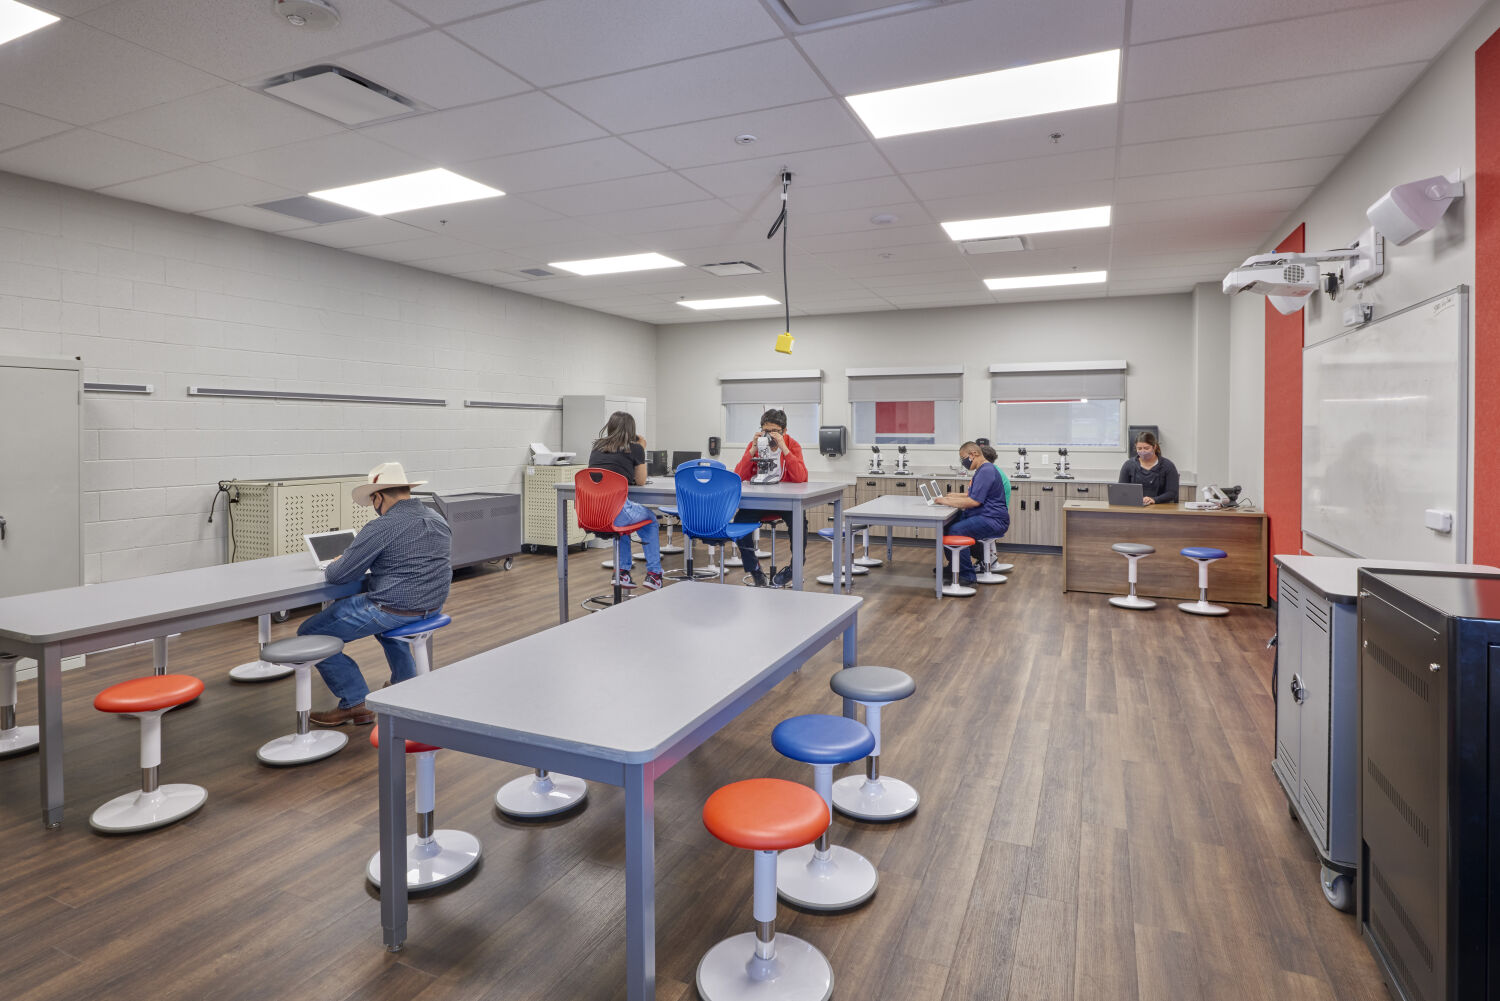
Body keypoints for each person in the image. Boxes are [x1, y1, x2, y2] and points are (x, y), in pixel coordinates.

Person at [302, 461, 452, 726]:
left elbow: (337, 575)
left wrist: (342, 559)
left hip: (396, 609)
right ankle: (404, 684)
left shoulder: (382, 526)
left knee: (310, 633)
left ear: (379, 497)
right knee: (386, 620)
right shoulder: (437, 517)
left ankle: (355, 701)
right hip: (433, 604)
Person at [587, 410, 663, 590]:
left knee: (623, 525)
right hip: (616, 511)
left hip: (592, 513)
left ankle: (622, 572)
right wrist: (641, 448)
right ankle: (654, 574)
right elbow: (641, 480)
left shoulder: (596, 447)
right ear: (632, 431)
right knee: (650, 519)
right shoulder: (634, 448)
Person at [731, 408, 808, 587]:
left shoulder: (792, 445)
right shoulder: (758, 445)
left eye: (775, 431)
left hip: (784, 502)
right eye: (766, 430)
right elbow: (738, 475)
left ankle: (794, 568)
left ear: (784, 431)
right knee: (740, 523)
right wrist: (752, 450)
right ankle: (755, 569)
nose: (770, 435)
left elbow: (800, 477)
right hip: (760, 501)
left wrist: (784, 448)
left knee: (799, 522)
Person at [933, 441, 1010, 584]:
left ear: (973, 454)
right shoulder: (982, 470)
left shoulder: (986, 471)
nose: (963, 462)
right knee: (949, 524)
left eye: (963, 458)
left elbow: (974, 501)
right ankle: (954, 567)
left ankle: (966, 575)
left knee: (956, 530)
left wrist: (945, 501)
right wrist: (951, 497)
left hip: (992, 519)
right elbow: (971, 496)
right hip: (984, 516)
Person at [1118, 430, 1179, 505]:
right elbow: (1121, 490)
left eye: (1146, 448)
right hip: (1135, 507)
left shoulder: (1167, 466)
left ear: (1154, 447)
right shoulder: (1129, 465)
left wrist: (1154, 500)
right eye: (1139, 448)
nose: (1143, 451)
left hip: (1161, 508)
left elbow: (1172, 492)